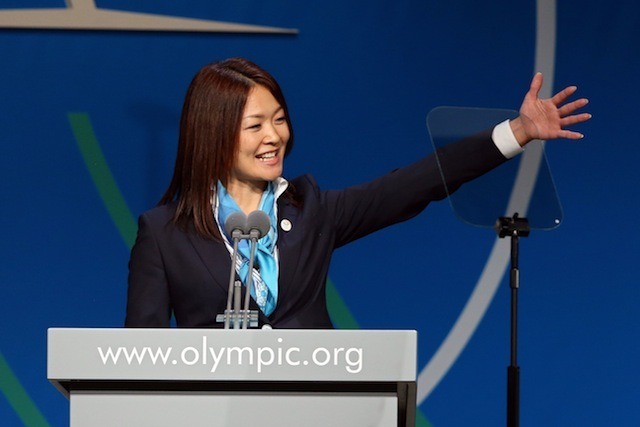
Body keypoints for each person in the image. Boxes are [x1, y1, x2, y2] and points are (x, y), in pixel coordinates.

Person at [125, 57, 590, 328]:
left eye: (279, 119)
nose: (274, 137)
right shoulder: (164, 233)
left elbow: (417, 182)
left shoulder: (314, 211)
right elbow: (136, 364)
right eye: (255, 126)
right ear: (212, 135)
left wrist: (518, 131)